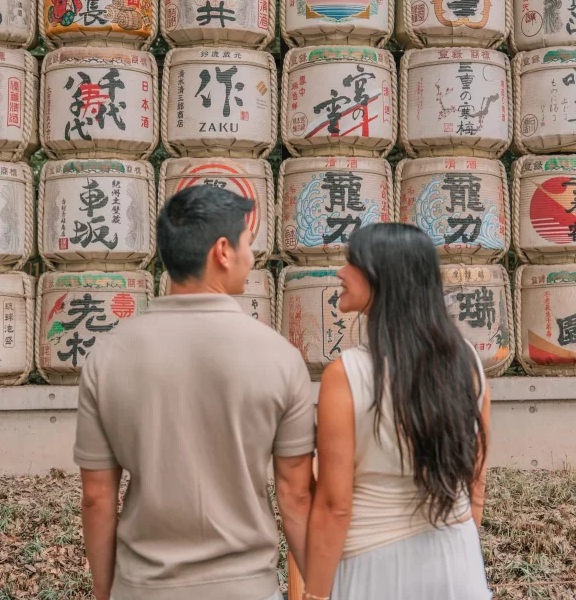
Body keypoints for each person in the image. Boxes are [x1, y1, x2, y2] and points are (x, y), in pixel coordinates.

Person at [74, 185, 316, 600]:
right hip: (246, 588)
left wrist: (104, 590)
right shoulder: (279, 357)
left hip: (143, 587)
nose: (251, 257)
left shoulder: (107, 356)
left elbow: (97, 496)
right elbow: (295, 495)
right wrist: (323, 586)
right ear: (222, 251)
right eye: (246, 243)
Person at [303, 223, 493, 600]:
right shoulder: (467, 362)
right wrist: (462, 545)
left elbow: (334, 507)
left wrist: (316, 595)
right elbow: (477, 480)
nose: (340, 273)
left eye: (352, 263)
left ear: (384, 277)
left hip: (375, 569)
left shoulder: (346, 375)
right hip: (458, 559)